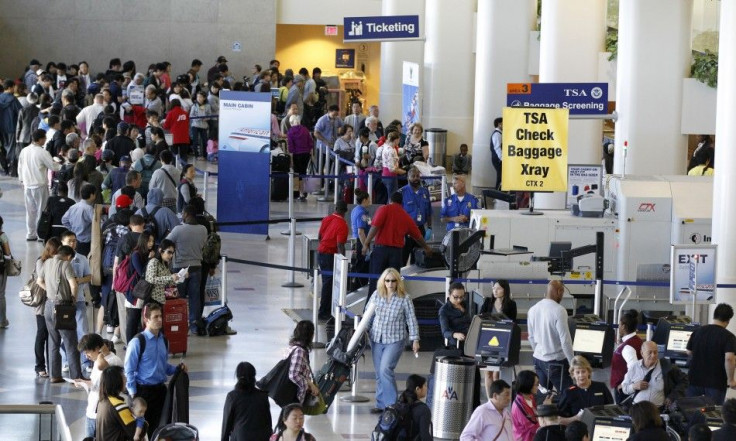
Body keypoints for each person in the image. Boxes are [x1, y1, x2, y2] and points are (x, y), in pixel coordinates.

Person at [124, 302, 188, 438]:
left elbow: (163, 366)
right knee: (140, 433)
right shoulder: (137, 342)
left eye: (161, 316)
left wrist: (177, 369)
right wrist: (134, 395)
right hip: (143, 393)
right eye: (155, 317)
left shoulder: (164, 341)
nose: (160, 320)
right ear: (146, 319)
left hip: (160, 391)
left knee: (160, 430)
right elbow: (128, 370)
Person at [366, 268, 420, 413]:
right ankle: (381, 404)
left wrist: (415, 339)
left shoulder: (404, 298)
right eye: (387, 280)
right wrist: (363, 331)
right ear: (383, 281)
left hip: (395, 339)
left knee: (385, 369)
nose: (390, 283)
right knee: (379, 373)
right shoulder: (377, 295)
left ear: (398, 282)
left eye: (393, 280)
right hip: (376, 338)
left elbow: (411, 319)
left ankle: (392, 405)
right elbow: (368, 315)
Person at [362, 191, 432, 303]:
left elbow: (374, 227)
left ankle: (369, 314)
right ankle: (391, 311)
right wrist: (427, 248)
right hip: (396, 253)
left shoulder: (384, 209)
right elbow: (418, 236)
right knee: (392, 285)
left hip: (380, 251)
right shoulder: (406, 216)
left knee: (376, 283)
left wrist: (366, 243)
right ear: (402, 203)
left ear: (390, 200)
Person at [37, 245, 83, 382]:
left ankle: (55, 375)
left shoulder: (46, 263)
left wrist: (51, 293)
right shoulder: (65, 265)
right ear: (68, 256)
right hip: (63, 307)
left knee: (53, 341)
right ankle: (77, 376)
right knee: (70, 342)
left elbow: (39, 281)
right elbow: (74, 285)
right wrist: (73, 299)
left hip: (49, 305)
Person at [527, 280, 574, 393]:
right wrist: (573, 363)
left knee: (543, 395)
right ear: (559, 291)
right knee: (569, 393)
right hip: (555, 361)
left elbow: (531, 337)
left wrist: (540, 352)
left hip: (538, 359)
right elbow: (565, 340)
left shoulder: (533, 309)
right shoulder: (559, 310)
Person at [166, 205, 208, 333]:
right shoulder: (203, 229)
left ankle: (180, 324)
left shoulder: (178, 230)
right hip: (196, 266)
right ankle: (194, 326)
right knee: (195, 297)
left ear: (186, 214)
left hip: (179, 268)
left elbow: (166, 243)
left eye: (183, 213)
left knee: (179, 298)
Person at [75, 333, 123, 439]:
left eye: (88, 352)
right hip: (91, 412)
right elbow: (95, 384)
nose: (86, 356)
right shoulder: (97, 360)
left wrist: (101, 356)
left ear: (97, 348)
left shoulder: (114, 361)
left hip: (102, 414)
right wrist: (83, 382)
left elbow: (110, 383)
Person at [686, 303, 736, 404]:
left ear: (714, 315)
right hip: (716, 384)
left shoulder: (698, 331)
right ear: (728, 320)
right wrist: (731, 380)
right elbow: (729, 359)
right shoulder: (729, 337)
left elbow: (689, 351)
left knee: (691, 413)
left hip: (694, 381)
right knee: (713, 416)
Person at [18, 129, 61, 241]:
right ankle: (40, 235)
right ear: (41, 139)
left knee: (30, 211)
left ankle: (30, 234)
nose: (45, 140)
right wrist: (62, 164)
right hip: (40, 185)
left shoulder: (24, 150)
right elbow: (53, 166)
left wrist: (22, 180)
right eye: (45, 138)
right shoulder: (42, 152)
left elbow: (20, 167)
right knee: (42, 211)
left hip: (27, 185)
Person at [620, 340, 688, 408]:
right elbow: (624, 388)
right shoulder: (634, 367)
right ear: (642, 353)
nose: (653, 355)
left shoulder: (666, 366)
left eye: (655, 352)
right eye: (649, 352)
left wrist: (672, 396)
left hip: (658, 410)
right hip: (637, 410)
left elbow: (684, 381)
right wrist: (634, 386)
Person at [60, 231, 92, 371]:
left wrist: (78, 280)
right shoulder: (58, 260)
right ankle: (66, 360)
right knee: (65, 333)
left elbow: (89, 276)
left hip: (79, 300)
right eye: (69, 241)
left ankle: (86, 360)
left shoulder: (81, 258)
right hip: (62, 302)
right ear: (62, 242)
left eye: (74, 241)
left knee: (83, 331)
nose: (72, 243)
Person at [221, 361, 272, 441]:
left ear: (237, 376)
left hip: (241, 436)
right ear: (254, 376)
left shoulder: (232, 396)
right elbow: (268, 423)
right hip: (262, 437)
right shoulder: (263, 396)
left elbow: (226, 424)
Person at [481, 279, 518, 385]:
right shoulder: (488, 302)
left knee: (497, 372)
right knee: (488, 372)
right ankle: (490, 400)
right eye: (494, 288)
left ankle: (496, 396)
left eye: (498, 288)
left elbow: (513, 322)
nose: (495, 291)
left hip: (502, 339)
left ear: (505, 290)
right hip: (487, 338)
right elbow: (481, 316)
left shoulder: (511, 304)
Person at [317, 201, 349, 320]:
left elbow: (319, 237)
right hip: (330, 255)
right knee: (329, 284)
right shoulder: (342, 224)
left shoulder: (327, 219)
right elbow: (340, 245)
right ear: (345, 211)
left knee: (327, 282)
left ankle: (326, 309)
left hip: (321, 253)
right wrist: (344, 261)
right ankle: (323, 311)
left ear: (335, 208)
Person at [33, 237, 60, 377]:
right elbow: (40, 281)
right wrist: (52, 292)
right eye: (54, 251)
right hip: (43, 305)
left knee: (53, 336)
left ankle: (52, 366)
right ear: (49, 250)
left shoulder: (59, 262)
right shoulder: (41, 262)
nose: (56, 254)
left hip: (54, 303)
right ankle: (39, 366)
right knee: (42, 334)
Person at [557, 356, 613, 424]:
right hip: (578, 429)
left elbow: (611, 409)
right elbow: (559, 419)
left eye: (583, 371)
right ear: (573, 374)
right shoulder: (568, 392)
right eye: (577, 372)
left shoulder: (601, 387)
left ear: (588, 372)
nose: (581, 375)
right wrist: (575, 418)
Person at [126, 232, 154, 343]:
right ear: (143, 241)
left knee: (138, 320)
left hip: (142, 291)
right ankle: (130, 344)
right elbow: (142, 272)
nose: (151, 243)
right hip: (135, 291)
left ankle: (136, 343)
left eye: (152, 241)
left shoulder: (144, 253)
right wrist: (149, 259)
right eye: (149, 241)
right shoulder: (136, 254)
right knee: (133, 320)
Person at [400, 166, 432, 264]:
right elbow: (397, 213)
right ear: (408, 178)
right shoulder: (402, 192)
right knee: (402, 260)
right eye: (413, 176)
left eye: (417, 176)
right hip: (406, 231)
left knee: (418, 260)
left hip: (420, 230)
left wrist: (429, 228)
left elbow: (429, 211)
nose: (415, 178)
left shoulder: (425, 192)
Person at [96, 365, 137, 440]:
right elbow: (135, 432)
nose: (126, 379)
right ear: (117, 381)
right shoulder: (118, 406)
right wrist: (140, 417)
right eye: (123, 377)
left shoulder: (102, 401)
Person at [611, 309, 642, 403]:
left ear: (624, 326)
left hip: (624, 390)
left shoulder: (628, 347)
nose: (619, 327)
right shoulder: (637, 340)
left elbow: (634, 368)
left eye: (619, 325)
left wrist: (624, 385)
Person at [512, 370, 551, 441]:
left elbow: (535, 414)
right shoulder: (520, 408)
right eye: (536, 384)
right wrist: (545, 408)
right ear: (528, 385)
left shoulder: (529, 396)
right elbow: (535, 427)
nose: (538, 387)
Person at [145, 239, 186, 306]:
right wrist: (170, 277)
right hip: (152, 299)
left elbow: (169, 282)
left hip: (161, 299)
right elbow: (151, 279)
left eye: (172, 253)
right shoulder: (154, 261)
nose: (171, 255)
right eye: (169, 252)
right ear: (161, 250)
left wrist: (181, 276)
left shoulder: (164, 264)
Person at [61, 183, 97, 256]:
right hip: (86, 241)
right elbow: (96, 223)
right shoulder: (89, 209)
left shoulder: (73, 206)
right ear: (91, 195)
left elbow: (64, 220)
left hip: (75, 238)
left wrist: (71, 229)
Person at [396, 374, 433, 441]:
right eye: (424, 385)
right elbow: (425, 436)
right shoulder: (423, 410)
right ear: (418, 389)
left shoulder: (399, 404)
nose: (426, 388)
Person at [439, 282, 472, 349]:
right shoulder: (444, 310)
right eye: (455, 297)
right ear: (449, 294)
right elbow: (445, 332)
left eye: (462, 297)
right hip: (456, 343)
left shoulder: (465, 304)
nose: (459, 300)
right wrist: (455, 334)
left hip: (470, 338)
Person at [381, 132, 406, 199]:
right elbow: (392, 169)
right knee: (393, 197)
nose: (399, 141)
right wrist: (404, 172)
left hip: (385, 174)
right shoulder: (391, 150)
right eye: (398, 140)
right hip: (390, 176)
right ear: (395, 140)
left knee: (390, 196)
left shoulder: (386, 147)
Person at [0, 215, 11, 328]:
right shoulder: (2, 235)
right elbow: (7, 253)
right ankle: (2, 320)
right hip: (0, 268)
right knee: (1, 295)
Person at [490, 117, 503, 189]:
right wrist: (502, 159)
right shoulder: (497, 134)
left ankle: (498, 194)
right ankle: (497, 194)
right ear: (499, 124)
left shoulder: (499, 133)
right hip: (498, 159)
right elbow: (497, 148)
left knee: (501, 177)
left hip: (498, 158)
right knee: (500, 177)